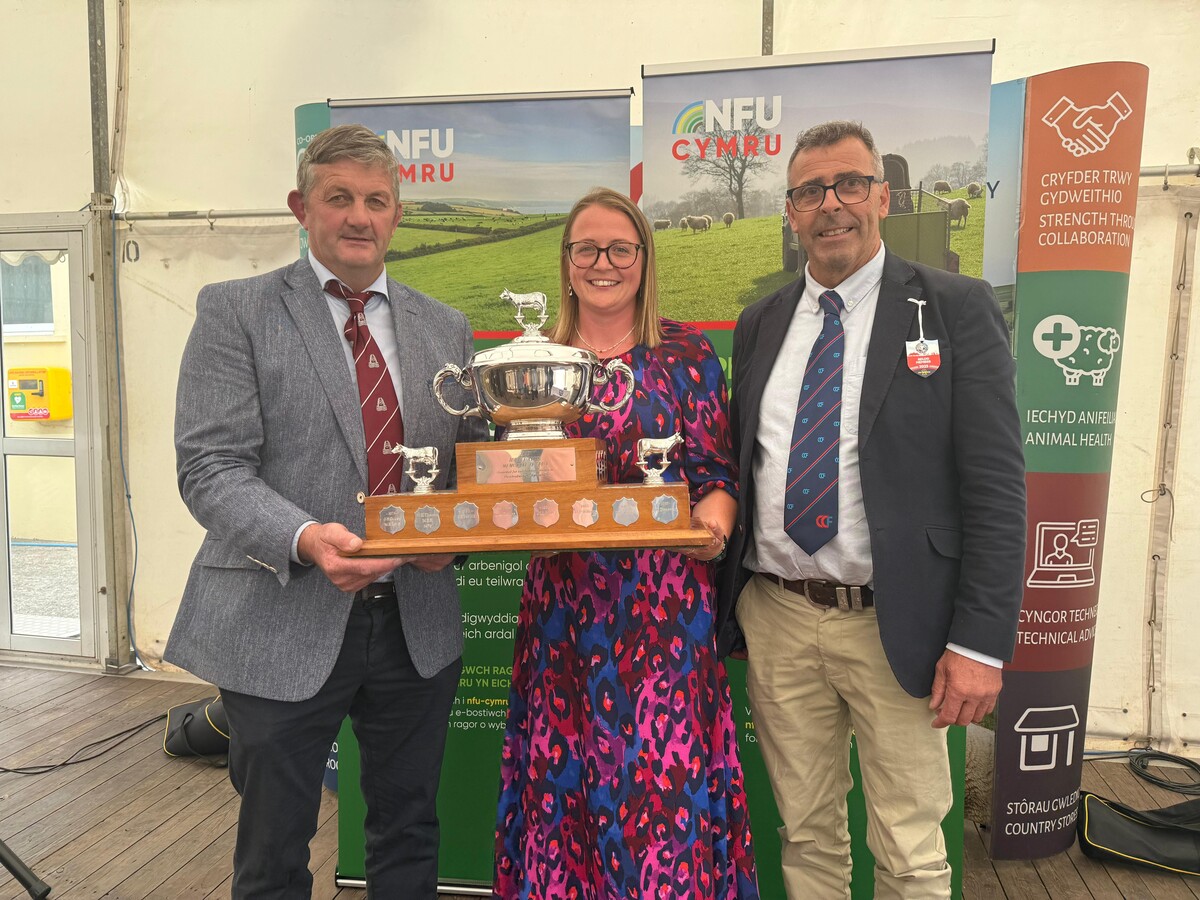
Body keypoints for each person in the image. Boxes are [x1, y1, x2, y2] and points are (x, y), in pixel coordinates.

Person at [167, 124, 488, 899]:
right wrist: (306, 537)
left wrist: (455, 539)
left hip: (417, 622)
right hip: (279, 619)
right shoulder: (235, 310)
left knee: (409, 828)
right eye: (338, 197)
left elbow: (469, 467)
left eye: (376, 201)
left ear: (397, 214)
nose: (359, 216)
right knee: (274, 847)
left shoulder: (444, 325)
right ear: (300, 208)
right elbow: (210, 466)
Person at [718, 121, 1026, 898]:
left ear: (883, 196)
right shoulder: (760, 321)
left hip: (903, 623)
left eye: (849, 184)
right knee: (807, 832)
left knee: (912, 850)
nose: (831, 205)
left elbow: (995, 485)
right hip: (780, 618)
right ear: (789, 211)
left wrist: (982, 643)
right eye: (810, 191)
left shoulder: (954, 309)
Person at [493, 187, 759, 899]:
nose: (603, 263)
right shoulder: (532, 363)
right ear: (566, 260)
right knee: (565, 796)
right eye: (587, 248)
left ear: (643, 259)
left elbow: (716, 474)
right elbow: (512, 484)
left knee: (660, 805)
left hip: (664, 615)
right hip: (563, 616)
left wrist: (713, 529)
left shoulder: (685, 353)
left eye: (620, 248)